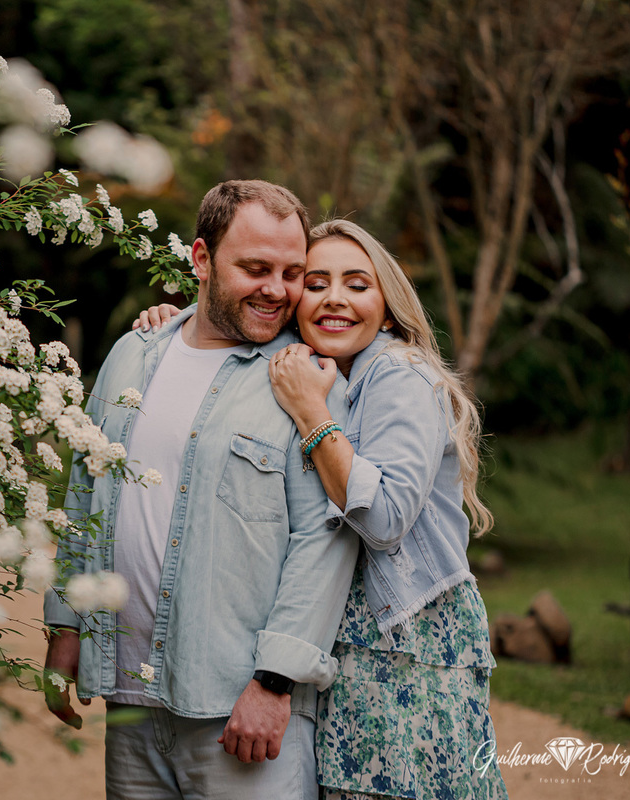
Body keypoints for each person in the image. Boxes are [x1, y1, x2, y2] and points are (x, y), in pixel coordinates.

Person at [136, 218, 508, 799]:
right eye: (316, 283)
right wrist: (174, 321)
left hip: (408, 642)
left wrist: (313, 414)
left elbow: (383, 520)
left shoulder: (398, 375)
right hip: (350, 647)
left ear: (387, 308)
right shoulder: (329, 370)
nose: (335, 298)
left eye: (357, 284)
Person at [43, 180, 359, 800]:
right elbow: (83, 495)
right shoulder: (131, 355)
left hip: (241, 713)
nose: (277, 289)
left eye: (293, 272)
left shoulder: (304, 381)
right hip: (130, 700)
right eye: (255, 267)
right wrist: (64, 630)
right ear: (201, 259)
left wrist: (274, 684)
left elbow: (327, 542)